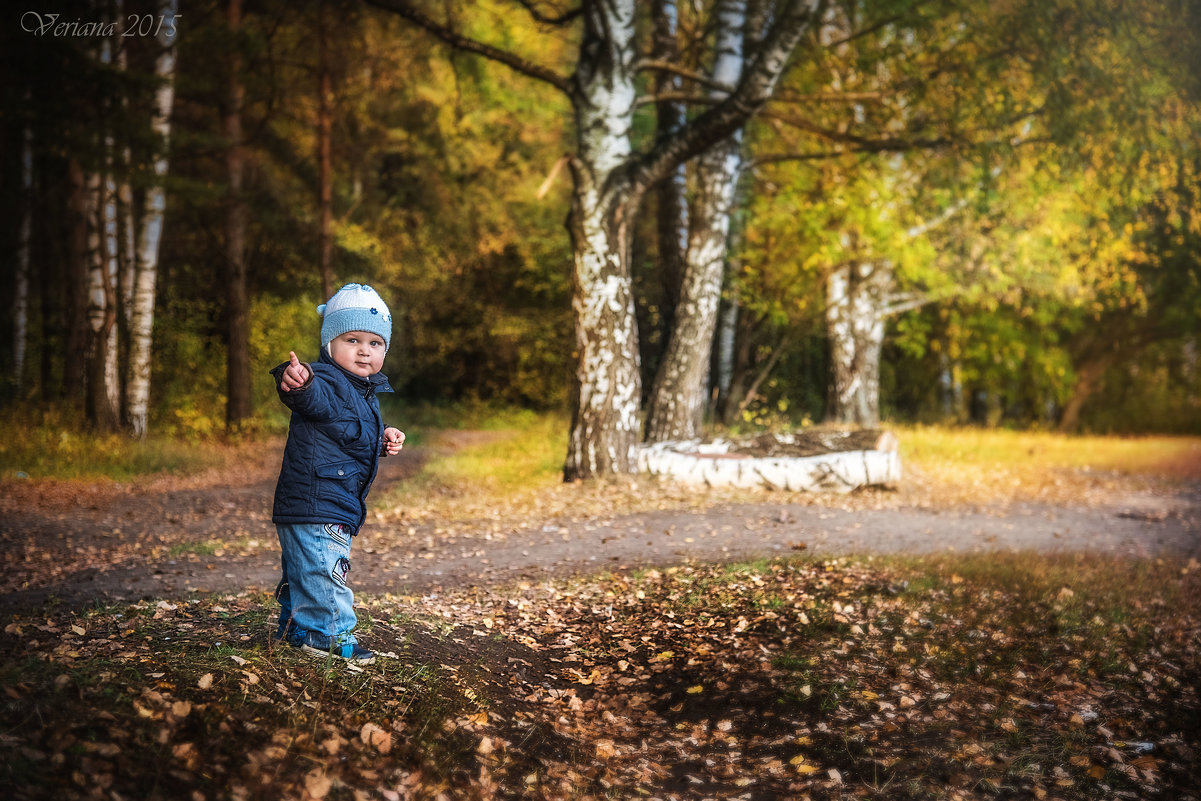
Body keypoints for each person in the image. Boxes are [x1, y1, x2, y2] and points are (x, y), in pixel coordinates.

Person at [269, 283, 405, 665]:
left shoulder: (363, 392)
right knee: (328, 572)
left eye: (375, 343)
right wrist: (298, 380)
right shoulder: (326, 380)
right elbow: (312, 397)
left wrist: (382, 437)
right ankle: (328, 634)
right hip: (318, 501)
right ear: (329, 345)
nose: (364, 350)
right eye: (352, 339)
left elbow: (346, 432)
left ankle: (297, 628)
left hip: (329, 500)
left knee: (306, 570)